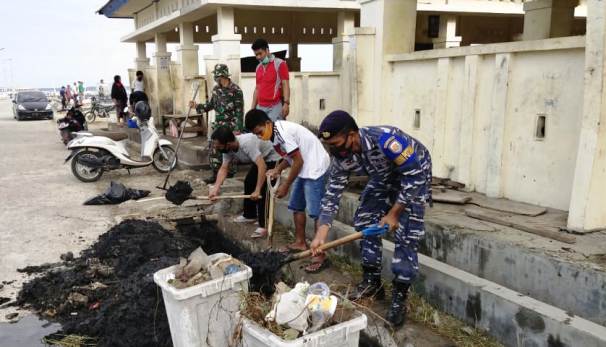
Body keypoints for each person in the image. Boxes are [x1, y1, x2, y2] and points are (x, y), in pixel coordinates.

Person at [310, 111, 433, 327]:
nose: (337, 151)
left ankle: (400, 296)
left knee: (406, 231)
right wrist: (322, 232)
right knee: (365, 220)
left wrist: (394, 214)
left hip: (414, 172)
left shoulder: (386, 140)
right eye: (331, 147)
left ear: (353, 134)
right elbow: (332, 193)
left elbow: (414, 176)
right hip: (383, 174)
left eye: (339, 145)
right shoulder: (340, 158)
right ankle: (372, 282)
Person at [245, 109, 331, 273]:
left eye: (260, 132)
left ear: (268, 124)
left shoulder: (283, 132)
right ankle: (300, 243)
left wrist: (286, 185)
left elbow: (297, 161)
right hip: (303, 166)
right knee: (296, 205)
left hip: (315, 166)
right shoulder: (274, 135)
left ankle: (320, 254)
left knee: (315, 211)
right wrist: (278, 169)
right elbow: (289, 157)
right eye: (256, 135)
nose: (259, 136)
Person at [208, 126, 282, 237]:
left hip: (273, 157)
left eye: (218, 145)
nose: (217, 148)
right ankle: (249, 215)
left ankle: (264, 226)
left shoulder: (247, 143)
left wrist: (257, 190)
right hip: (261, 158)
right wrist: (216, 188)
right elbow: (224, 168)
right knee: (248, 182)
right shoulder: (227, 149)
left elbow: (262, 166)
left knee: (264, 190)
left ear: (227, 143)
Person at [189, 64, 244, 183]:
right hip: (218, 126)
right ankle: (215, 174)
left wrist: (238, 128)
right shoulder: (216, 89)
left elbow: (240, 111)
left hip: (230, 126)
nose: (215, 77)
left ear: (222, 75)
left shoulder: (236, 90)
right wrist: (196, 106)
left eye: (216, 75)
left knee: (229, 150)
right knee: (214, 149)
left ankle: (229, 176)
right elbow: (211, 105)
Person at [251, 38, 290, 121]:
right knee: (260, 133)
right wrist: (252, 109)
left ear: (267, 50)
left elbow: (285, 84)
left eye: (260, 54)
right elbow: (257, 88)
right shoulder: (258, 67)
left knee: (275, 131)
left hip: (275, 107)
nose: (258, 57)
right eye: (256, 55)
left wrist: (286, 103)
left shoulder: (280, 64)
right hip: (260, 107)